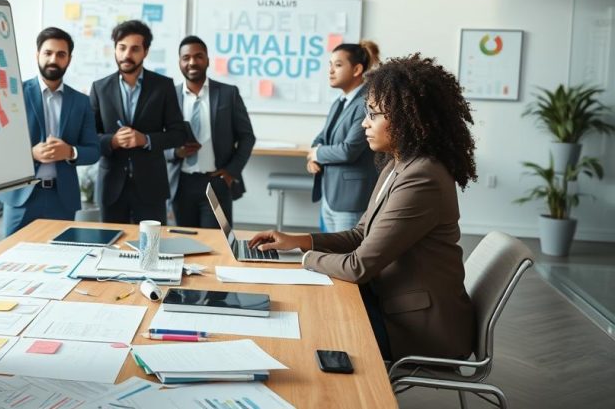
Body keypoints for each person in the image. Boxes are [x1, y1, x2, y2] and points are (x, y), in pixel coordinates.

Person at [249, 54, 476, 362]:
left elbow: (358, 266)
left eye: (374, 114)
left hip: (419, 329)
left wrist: (302, 259)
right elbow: (360, 235)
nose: (364, 122)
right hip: (389, 301)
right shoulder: (399, 165)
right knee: (310, 310)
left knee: (310, 321)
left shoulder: (423, 177)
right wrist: (296, 240)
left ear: (408, 118)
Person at [0, 27, 100, 235]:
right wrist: (31, 154)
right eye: (48, 53)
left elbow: (94, 150)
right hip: (22, 197)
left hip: (62, 199)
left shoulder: (81, 102)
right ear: (38, 55)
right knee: (10, 259)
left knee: (61, 258)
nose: (53, 59)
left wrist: (70, 152)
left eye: (61, 54)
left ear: (69, 59)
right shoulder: (14, 94)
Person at [90, 20, 189, 224]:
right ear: (115, 50)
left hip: (151, 186)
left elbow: (178, 134)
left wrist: (145, 139)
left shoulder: (163, 86)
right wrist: (113, 141)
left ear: (145, 52)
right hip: (111, 187)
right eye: (122, 48)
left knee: (151, 249)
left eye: (135, 49)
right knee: (111, 247)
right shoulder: (100, 88)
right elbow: (89, 137)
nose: (127, 55)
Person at [166, 36, 256, 228]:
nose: (192, 62)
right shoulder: (169, 96)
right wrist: (176, 152)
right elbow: (159, 140)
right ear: (180, 62)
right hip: (180, 183)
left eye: (198, 56)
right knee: (182, 243)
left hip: (216, 182)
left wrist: (231, 172)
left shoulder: (228, 93)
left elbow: (247, 137)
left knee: (216, 245)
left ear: (207, 60)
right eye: (186, 57)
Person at [308, 40, 381, 232]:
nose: (331, 71)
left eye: (338, 65)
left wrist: (317, 154)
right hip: (330, 195)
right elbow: (320, 138)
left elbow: (349, 150)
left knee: (347, 255)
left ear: (357, 69)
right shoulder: (340, 102)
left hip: (352, 199)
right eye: (330, 65)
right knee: (332, 253)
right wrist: (314, 156)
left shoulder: (365, 102)